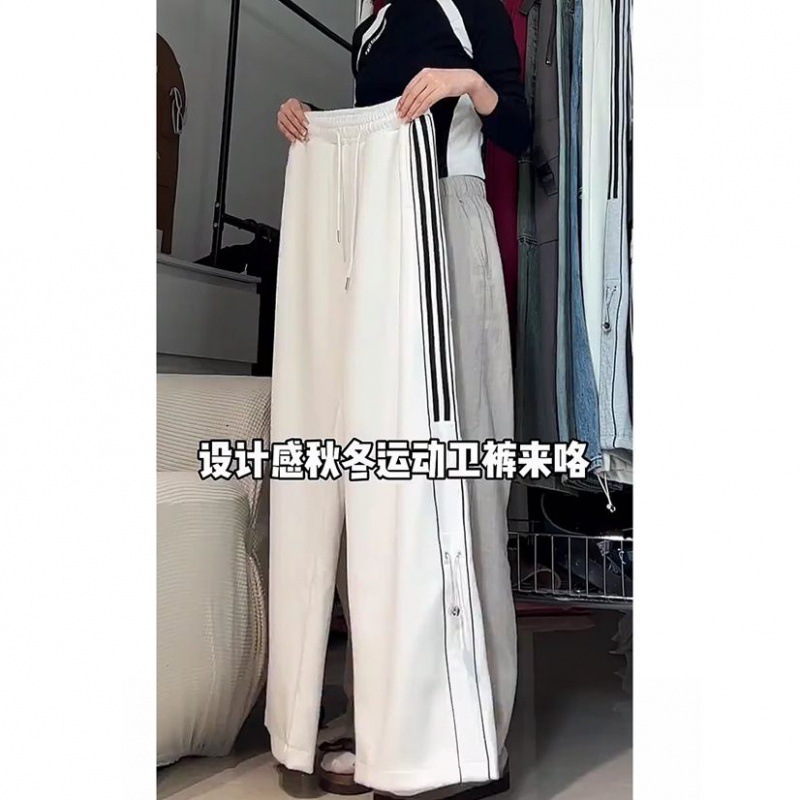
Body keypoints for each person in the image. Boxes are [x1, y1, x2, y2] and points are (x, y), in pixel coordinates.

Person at [273, 1, 530, 796]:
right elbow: (374, 132)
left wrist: (466, 83)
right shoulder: (369, 23)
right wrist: (310, 120)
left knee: (459, 480)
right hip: (381, 238)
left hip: (447, 228)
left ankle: (473, 736)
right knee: (381, 487)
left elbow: (519, 127)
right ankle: (394, 726)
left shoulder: (469, 7)